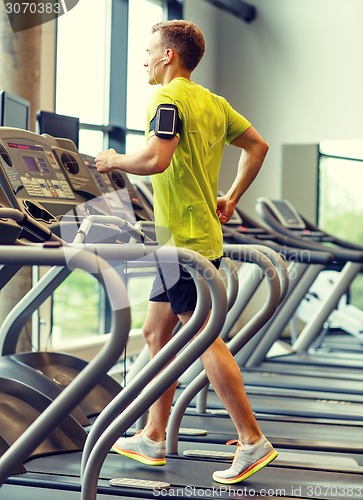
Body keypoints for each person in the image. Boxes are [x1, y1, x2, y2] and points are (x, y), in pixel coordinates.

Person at [95, 19, 277, 484]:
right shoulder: (214, 103)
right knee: (156, 332)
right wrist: (231, 196)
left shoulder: (168, 98)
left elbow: (157, 158)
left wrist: (113, 160)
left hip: (186, 243)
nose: (144, 60)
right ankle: (154, 435)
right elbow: (258, 145)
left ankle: (252, 439)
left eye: (149, 50)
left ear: (168, 56)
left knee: (202, 339)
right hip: (183, 240)